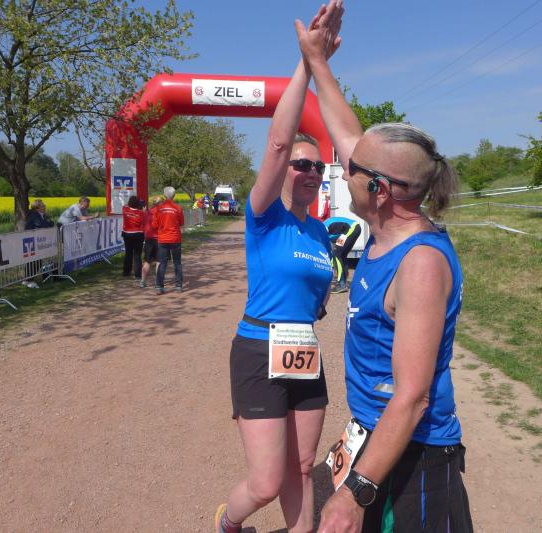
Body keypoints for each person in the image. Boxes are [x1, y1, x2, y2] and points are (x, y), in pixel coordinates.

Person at [298, 11, 474, 532]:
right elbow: (350, 136)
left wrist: (356, 493)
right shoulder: (386, 224)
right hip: (379, 441)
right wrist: (317, 61)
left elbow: (413, 397)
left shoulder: (419, 264)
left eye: (351, 167)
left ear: (378, 189)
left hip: (414, 458)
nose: (343, 166)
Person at [213, 5, 341, 533]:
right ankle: (229, 522)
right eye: (301, 164)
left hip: (303, 349)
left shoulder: (320, 231)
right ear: (284, 170)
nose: (310, 171)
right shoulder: (264, 215)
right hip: (258, 347)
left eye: (317, 166)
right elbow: (278, 142)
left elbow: (317, 295)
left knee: (303, 466)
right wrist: (308, 63)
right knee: (266, 482)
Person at [152, 186, 184, 294]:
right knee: (177, 263)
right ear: (174, 195)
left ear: (164, 195)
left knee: (162, 263)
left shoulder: (158, 208)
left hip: (163, 239)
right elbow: (181, 223)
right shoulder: (178, 208)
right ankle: (179, 286)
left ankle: (159, 287)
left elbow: (154, 225)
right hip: (175, 239)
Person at [23, 199, 55, 288]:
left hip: (39, 242)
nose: (45, 207)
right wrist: (48, 224)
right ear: (37, 208)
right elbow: (40, 226)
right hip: (32, 242)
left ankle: (28, 279)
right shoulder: (34, 215)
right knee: (34, 262)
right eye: (43, 206)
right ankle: (29, 281)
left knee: (37, 261)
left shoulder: (43, 215)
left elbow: (50, 224)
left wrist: (49, 223)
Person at [323, 216, 361, 293]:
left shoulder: (323, 228)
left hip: (351, 228)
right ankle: (344, 280)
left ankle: (341, 284)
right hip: (353, 228)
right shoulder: (327, 234)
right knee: (341, 254)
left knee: (337, 254)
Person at [141, 196, 163, 288]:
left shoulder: (147, 212)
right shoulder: (161, 213)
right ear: (160, 203)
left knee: (147, 261)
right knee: (159, 261)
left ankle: (143, 281)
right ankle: (158, 283)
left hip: (148, 238)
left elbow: (143, 224)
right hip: (158, 238)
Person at [121, 195, 145, 279]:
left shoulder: (125, 210)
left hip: (127, 234)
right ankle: (138, 274)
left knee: (128, 253)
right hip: (138, 234)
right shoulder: (141, 213)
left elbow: (125, 205)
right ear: (138, 204)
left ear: (129, 203)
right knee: (137, 255)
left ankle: (126, 272)